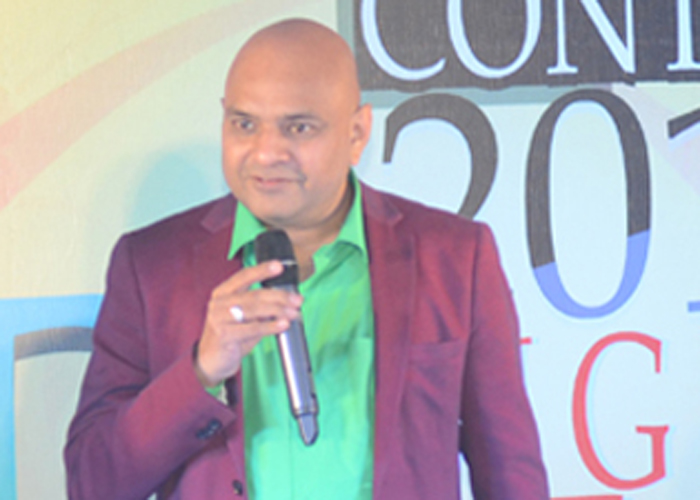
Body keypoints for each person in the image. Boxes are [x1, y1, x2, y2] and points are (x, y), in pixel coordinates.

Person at [65, 18, 549, 500]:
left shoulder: (456, 257)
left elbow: (511, 471)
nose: (266, 152)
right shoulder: (150, 265)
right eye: (244, 124)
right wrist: (201, 370)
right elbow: (93, 483)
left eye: (298, 127)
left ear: (357, 133)